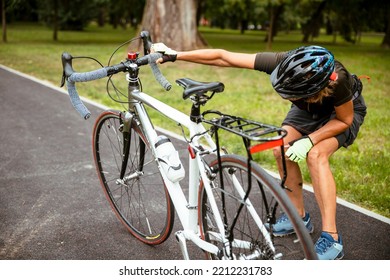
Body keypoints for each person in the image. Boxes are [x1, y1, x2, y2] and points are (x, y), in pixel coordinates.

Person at [151, 43, 367, 260]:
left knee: (316, 155)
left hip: (341, 114)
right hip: (308, 106)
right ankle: (299, 217)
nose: (286, 99)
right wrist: (176, 55)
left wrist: (310, 140)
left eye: (289, 95)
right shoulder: (283, 63)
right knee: (279, 148)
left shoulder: (338, 79)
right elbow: (224, 56)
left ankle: (332, 238)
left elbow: (345, 120)